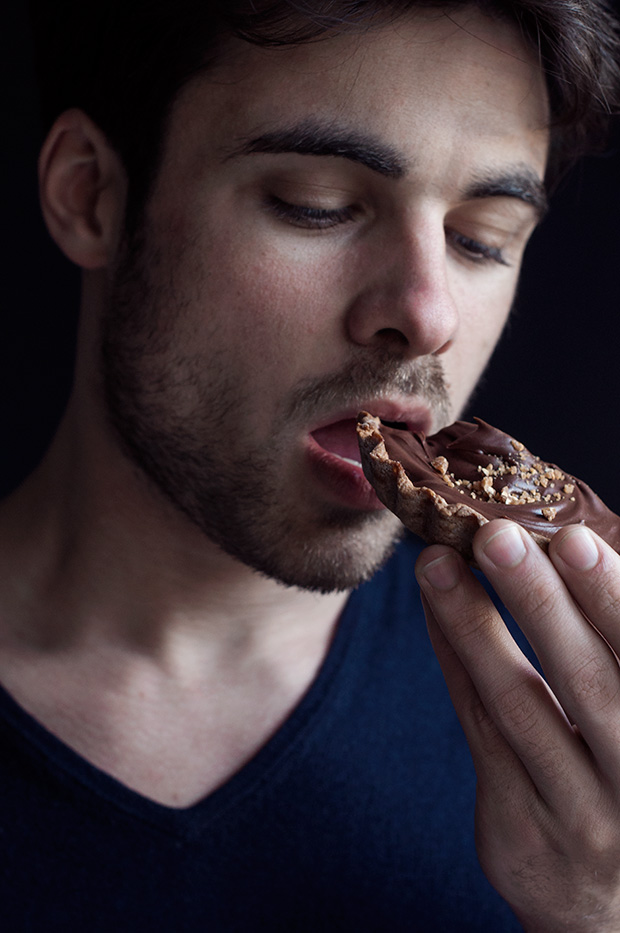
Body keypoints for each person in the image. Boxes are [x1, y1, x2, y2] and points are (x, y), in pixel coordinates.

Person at [3, 0, 620, 928]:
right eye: (316, 206)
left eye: (481, 238)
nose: (428, 312)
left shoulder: (582, 746)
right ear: (91, 193)